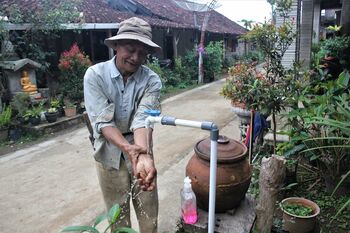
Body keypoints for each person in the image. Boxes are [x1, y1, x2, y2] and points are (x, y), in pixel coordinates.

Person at [83, 17, 162, 233]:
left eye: (143, 53)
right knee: (117, 215)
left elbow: (143, 119)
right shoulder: (95, 76)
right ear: (116, 46)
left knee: (149, 214)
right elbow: (102, 120)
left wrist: (143, 155)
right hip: (108, 151)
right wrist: (127, 149)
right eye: (130, 49)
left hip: (140, 143)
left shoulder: (152, 80)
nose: (136, 58)